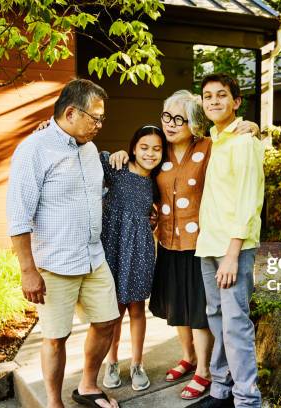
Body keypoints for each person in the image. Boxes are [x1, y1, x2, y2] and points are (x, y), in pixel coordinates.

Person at [109, 90, 259, 401]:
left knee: (201, 311)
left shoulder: (209, 146)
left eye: (180, 119)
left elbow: (238, 150)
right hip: (167, 240)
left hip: (201, 242)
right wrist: (119, 155)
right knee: (177, 308)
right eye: (168, 117)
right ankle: (188, 357)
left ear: (194, 122)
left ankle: (204, 370)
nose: (172, 124)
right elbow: (137, 168)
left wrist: (256, 128)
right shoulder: (158, 152)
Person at [6, 79, 120, 408]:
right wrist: (28, 270)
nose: (99, 124)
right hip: (54, 264)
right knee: (56, 337)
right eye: (95, 118)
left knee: (106, 322)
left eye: (102, 119)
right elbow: (18, 216)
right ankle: (54, 403)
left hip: (92, 258)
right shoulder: (33, 149)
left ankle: (87, 386)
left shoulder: (88, 150)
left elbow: (95, 196)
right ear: (71, 112)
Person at [189, 73, 265, 408]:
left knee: (235, 324)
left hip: (233, 248)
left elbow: (250, 200)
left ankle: (247, 400)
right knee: (217, 317)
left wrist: (233, 254)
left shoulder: (244, 141)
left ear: (236, 102)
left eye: (222, 95)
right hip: (209, 244)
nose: (214, 101)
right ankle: (221, 390)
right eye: (208, 96)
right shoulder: (215, 139)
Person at [99, 125, 167, 392]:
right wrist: (113, 154)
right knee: (114, 310)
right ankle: (112, 362)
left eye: (157, 149)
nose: (150, 153)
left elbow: (162, 211)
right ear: (133, 148)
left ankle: (137, 363)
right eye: (144, 147)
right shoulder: (117, 169)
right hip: (112, 245)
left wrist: (155, 219)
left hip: (139, 248)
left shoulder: (157, 182)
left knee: (137, 308)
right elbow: (86, 155)